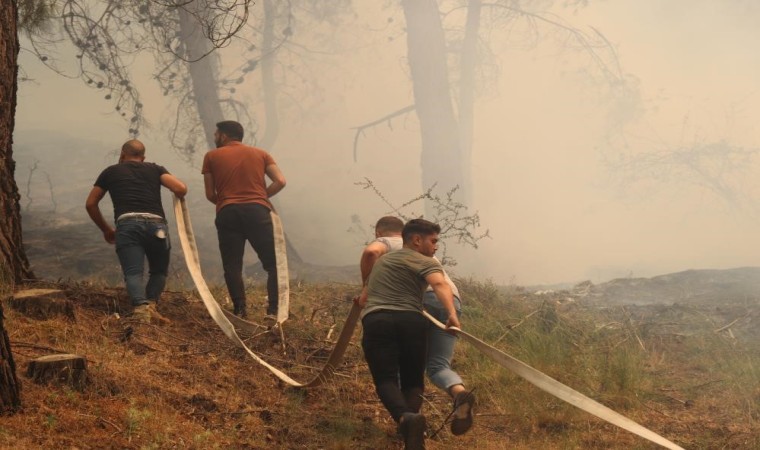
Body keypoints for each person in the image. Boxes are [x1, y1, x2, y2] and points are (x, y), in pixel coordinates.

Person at [357, 216, 475, 438]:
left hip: (378, 321)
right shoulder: (428, 262)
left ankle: (406, 420)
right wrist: (451, 315)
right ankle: (412, 424)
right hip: (411, 322)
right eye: (433, 241)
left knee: (386, 380)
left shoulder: (383, 261)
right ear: (417, 240)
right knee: (414, 382)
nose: (436, 246)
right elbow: (439, 284)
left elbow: (365, 297)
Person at [85, 139, 187, 324]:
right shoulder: (156, 169)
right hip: (157, 226)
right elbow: (180, 188)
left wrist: (106, 229)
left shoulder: (111, 171)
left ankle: (141, 310)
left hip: (128, 225)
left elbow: (91, 204)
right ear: (143, 157)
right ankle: (152, 306)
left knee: (133, 272)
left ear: (123, 155)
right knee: (158, 271)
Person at [201, 120, 286, 319]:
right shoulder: (261, 154)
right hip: (257, 211)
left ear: (223, 135)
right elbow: (280, 181)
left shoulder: (211, 156)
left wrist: (226, 202)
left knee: (232, 265)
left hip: (227, 212)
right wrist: (261, 197)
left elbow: (209, 194)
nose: (215, 137)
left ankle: (240, 311)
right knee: (273, 264)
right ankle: (273, 311)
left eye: (216, 134)